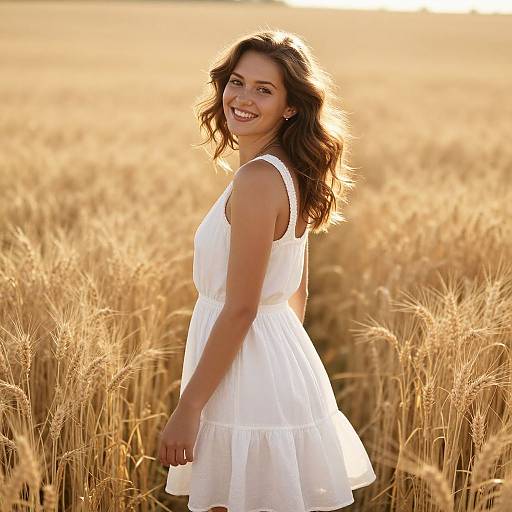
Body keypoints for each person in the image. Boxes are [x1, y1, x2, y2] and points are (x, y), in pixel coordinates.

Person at [159, 29, 376, 512]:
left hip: (241, 372)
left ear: (291, 106)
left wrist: (189, 406)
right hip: (264, 361)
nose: (242, 98)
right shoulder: (287, 171)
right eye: (237, 82)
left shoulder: (259, 180)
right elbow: (295, 292)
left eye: (264, 89)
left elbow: (240, 308)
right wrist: (273, 367)